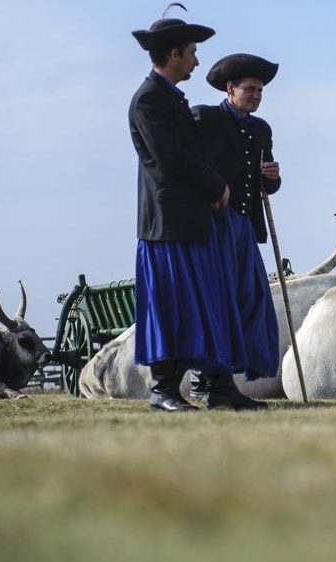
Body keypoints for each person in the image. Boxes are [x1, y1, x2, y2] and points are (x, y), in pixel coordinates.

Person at [129, 10, 266, 411]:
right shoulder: (149, 100)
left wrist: (222, 184)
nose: (196, 60)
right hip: (167, 226)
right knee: (170, 308)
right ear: (173, 54)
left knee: (208, 304)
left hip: (192, 223)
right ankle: (163, 391)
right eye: (191, 52)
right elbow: (170, 159)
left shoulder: (171, 98)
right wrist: (216, 185)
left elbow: (196, 154)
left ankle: (219, 388)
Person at [190, 54, 282, 390]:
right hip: (214, 223)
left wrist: (271, 177)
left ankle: (231, 372)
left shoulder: (261, 129)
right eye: (250, 89)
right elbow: (190, 165)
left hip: (245, 223)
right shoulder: (204, 118)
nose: (257, 95)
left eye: (260, 90)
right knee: (218, 297)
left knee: (252, 298)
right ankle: (205, 377)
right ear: (230, 88)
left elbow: (268, 182)